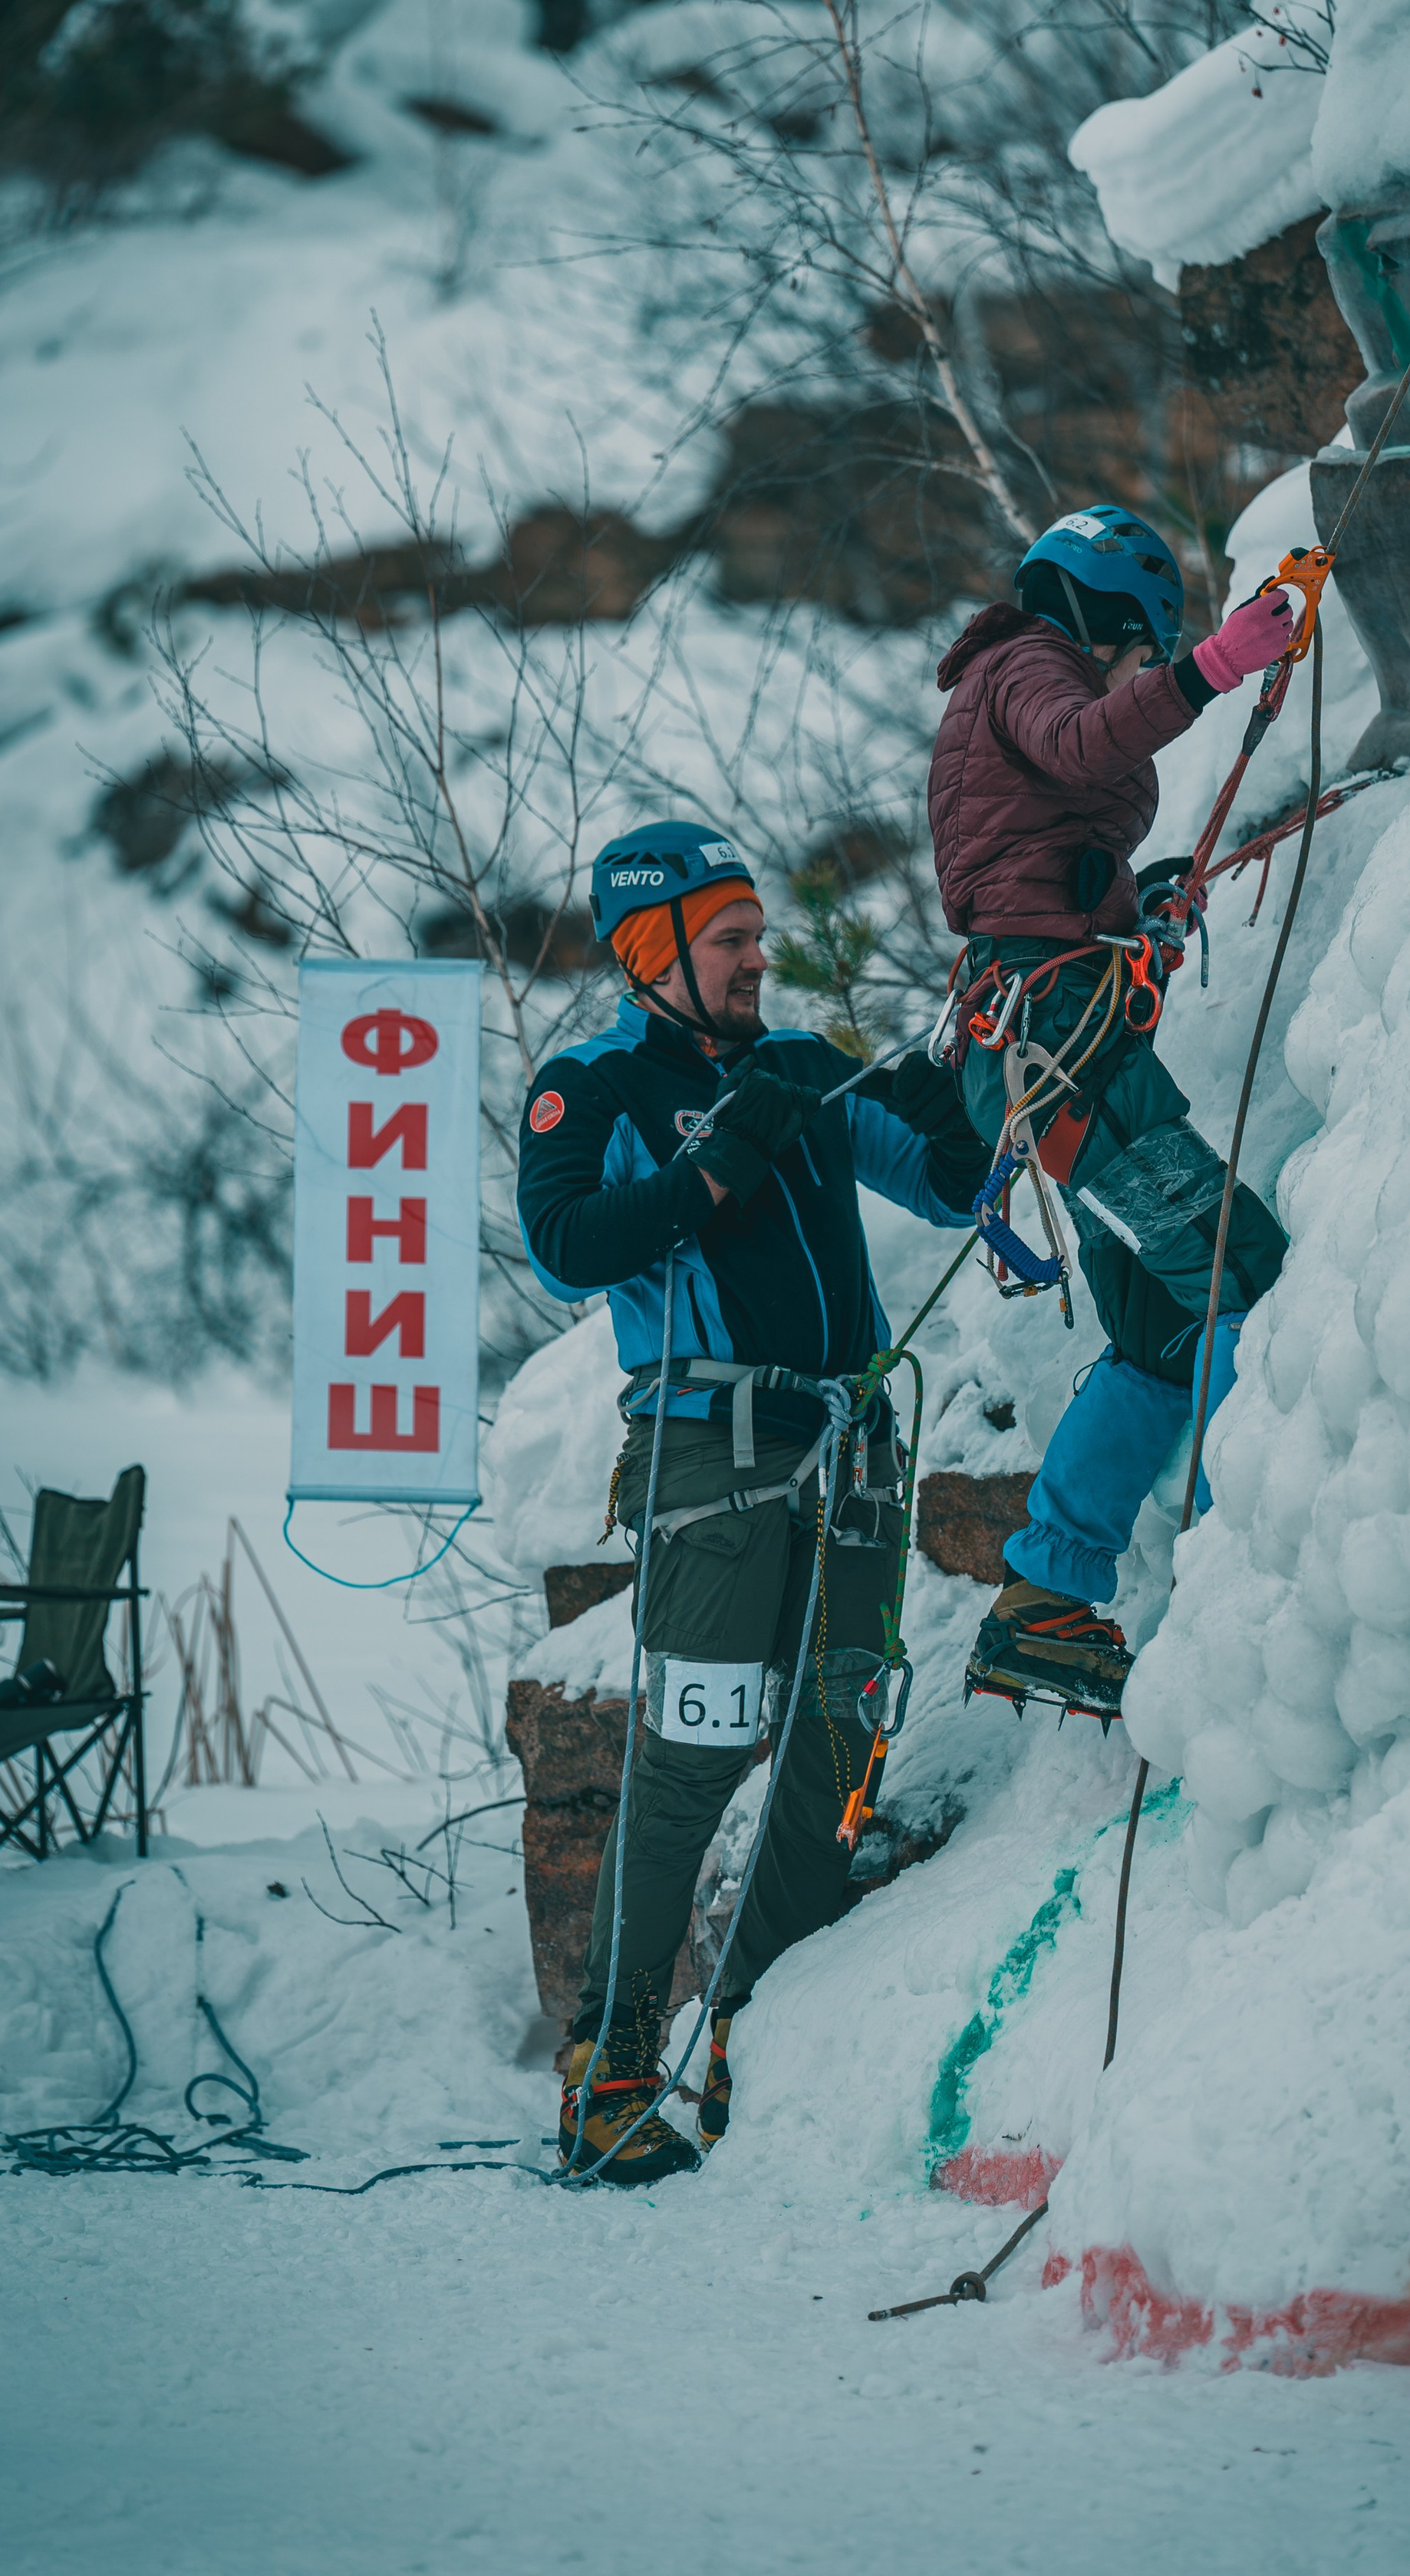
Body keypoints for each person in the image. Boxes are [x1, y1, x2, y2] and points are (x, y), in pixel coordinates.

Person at [517, 821, 990, 2184]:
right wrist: (714, 1166)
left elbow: (953, 1174)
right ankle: (609, 2074)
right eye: (731, 941)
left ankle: (753, 2031)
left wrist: (979, 1047)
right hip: (711, 1455)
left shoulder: (795, 1065)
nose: (758, 959)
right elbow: (565, 1245)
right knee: (698, 1752)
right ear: (654, 951)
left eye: (759, 937)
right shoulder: (596, 1083)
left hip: (848, 1447)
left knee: (841, 1737)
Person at [927, 503, 1296, 1724]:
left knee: (1159, 1335)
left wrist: (1130, 913)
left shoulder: (998, 683)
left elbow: (1040, 860)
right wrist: (1214, 668)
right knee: (1246, 1277)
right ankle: (1256, 1581)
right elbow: (1083, 743)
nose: (1135, 668)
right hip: (1061, 1047)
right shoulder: (1027, 662)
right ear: (1102, 610)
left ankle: (1045, 1597)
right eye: (1135, 644)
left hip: (1048, 1037)